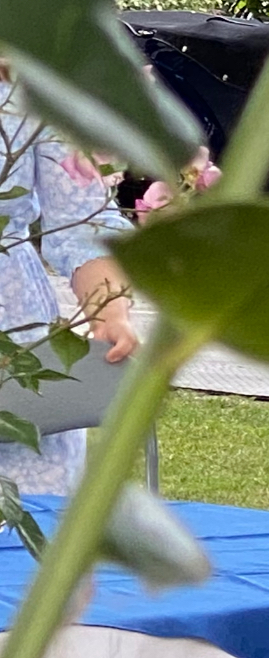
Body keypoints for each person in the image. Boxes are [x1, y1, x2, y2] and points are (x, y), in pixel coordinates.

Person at [0, 80, 140, 497]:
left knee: (34, 530)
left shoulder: (38, 81)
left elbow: (85, 225)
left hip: (16, 345)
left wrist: (110, 311)